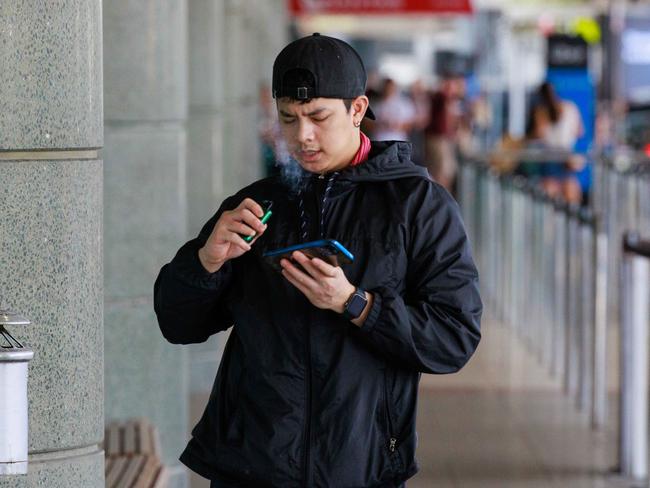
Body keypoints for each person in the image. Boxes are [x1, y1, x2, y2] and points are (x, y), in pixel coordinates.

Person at [154, 33, 482, 488]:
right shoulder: (259, 204)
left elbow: (454, 336)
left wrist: (358, 304)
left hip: (360, 464)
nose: (302, 136)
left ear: (358, 110)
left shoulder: (418, 205)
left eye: (317, 117)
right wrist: (205, 261)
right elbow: (178, 324)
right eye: (288, 119)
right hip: (251, 464)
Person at [372, 78, 416, 142]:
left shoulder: (404, 103)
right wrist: (380, 125)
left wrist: (397, 126)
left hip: (398, 140)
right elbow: (367, 123)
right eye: (386, 88)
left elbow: (410, 124)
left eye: (390, 87)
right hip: (378, 140)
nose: (388, 90)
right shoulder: (375, 103)